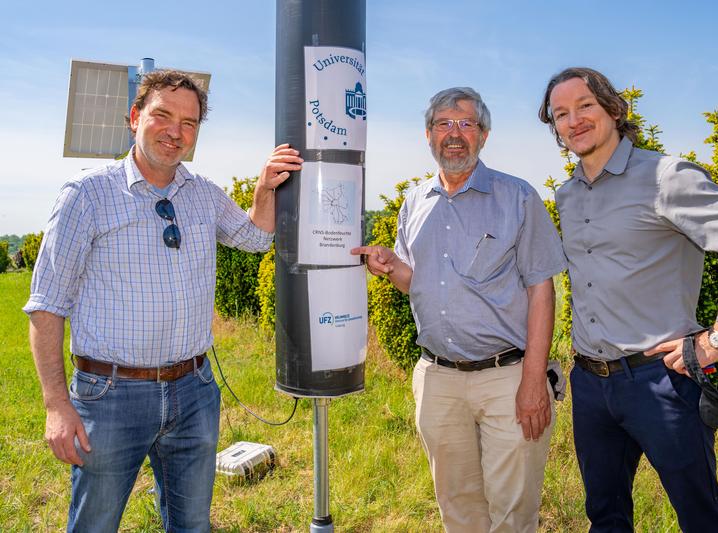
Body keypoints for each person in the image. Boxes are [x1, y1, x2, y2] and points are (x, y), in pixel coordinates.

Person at [24, 69, 303, 532]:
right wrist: (57, 404)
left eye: (189, 123)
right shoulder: (87, 194)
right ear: (134, 118)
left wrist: (263, 190)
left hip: (193, 392)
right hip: (110, 396)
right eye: (163, 115)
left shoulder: (204, 195)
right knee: (95, 524)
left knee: (191, 524)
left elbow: (254, 238)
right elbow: (46, 304)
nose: (176, 131)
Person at [538, 67, 718, 532]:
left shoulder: (664, 177)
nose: (573, 120)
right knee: (605, 518)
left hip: (662, 381)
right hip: (590, 384)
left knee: (703, 520)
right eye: (560, 114)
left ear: (614, 110)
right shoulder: (568, 196)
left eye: (585, 106)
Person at [352, 87, 566, 532]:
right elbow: (421, 283)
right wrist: (392, 268)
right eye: (444, 124)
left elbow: (541, 291)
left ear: (483, 135)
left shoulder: (518, 198)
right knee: (457, 507)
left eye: (466, 123)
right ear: (427, 136)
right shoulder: (414, 203)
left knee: (513, 512)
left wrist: (533, 379)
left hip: (508, 377)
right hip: (438, 380)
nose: (455, 133)